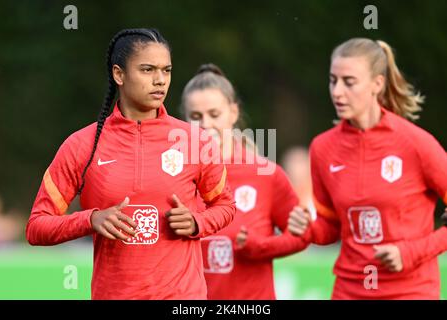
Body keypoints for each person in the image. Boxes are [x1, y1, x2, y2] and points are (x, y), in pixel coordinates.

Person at [25, 28, 236, 300]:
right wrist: (90, 219)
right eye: (147, 70)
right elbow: (36, 227)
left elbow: (225, 205)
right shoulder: (82, 145)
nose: (160, 80)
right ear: (119, 74)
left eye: (166, 70)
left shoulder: (196, 141)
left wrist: (197, 222)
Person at [288, 38, 447, 299]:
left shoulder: (416, 144)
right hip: (350, 290)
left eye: (349, 82)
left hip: (410, 291)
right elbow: (331, 227)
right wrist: (306, 228)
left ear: (377, 84)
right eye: (332, 80)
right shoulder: (322, 147)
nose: (337, 91)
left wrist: (410, 253)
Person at [181, 63, 308, 299]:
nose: (206, 125)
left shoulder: (265, 174)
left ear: (233, 113)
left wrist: (261, 247)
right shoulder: (176, 177)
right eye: (196, 117)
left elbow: (303, 234)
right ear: (185, 120)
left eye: (214, 114)